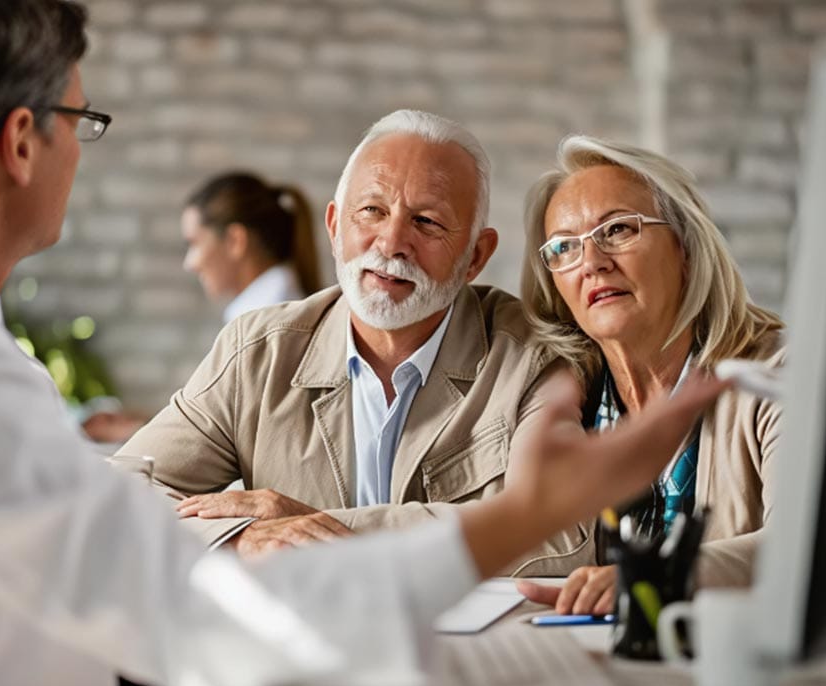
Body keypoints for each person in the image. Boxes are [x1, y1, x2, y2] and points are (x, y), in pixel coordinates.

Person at [0, 3, 727, 686]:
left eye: (427, 224)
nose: (80, 153)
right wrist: (523, 513)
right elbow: (214, 628)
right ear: (21, 141)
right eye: (80, 122)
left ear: (474, 254)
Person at [118, 110, 594, 575]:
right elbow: (122, 493)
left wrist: (320, 529)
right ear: (334, 227)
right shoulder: (256, 353)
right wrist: (239, 538)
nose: (391, 242)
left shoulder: (531, 357)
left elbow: (562, 531)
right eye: (372, 211)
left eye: (427, 221)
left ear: (476, 256)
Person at [514, 136, 785, 616]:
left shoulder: (776, 375)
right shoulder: (557, 394)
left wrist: (659, 576)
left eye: (618, 229)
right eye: (565, 247)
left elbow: (802, 542)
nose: (592, 263)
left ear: (686, 248)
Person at [182, 171, 321, 323]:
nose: (189, 264)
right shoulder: (269, 310)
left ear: (235, 241)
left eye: (195, 244)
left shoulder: (268, 320)